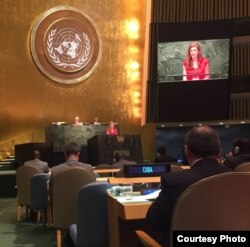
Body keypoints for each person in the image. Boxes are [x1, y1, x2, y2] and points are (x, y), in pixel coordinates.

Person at [146, 125, 231, 246]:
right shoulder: (239, 178)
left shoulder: (175, 181)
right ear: (219, 151)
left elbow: (153, 221)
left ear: (186, 151)